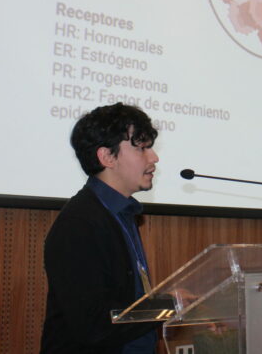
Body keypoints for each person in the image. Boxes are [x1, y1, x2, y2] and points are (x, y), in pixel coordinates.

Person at [41, 103, 161, 354]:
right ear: (107, 157)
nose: (153, 158)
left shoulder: (123, 214)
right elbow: (93, 324)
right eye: (141, 148)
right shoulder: (79, 224)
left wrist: (170, 306)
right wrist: (167, 307)